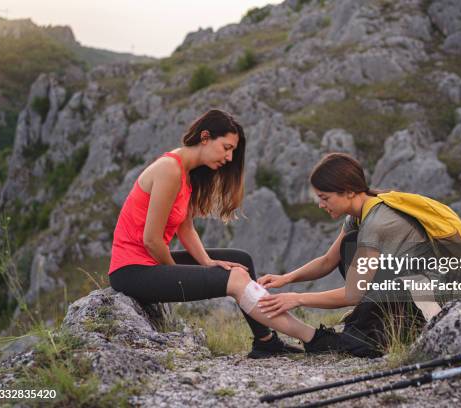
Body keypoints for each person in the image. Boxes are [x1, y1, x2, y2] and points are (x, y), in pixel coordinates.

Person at [107, 109, 337, 358]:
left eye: (232, 152)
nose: (229, 158)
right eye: (226, 147)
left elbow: (185, 228)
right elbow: (151, 240)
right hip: (131, 272)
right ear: (205, 137)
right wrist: (177, 274)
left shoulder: (185, 172)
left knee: (241, 261)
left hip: (149, 264)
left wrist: (207, 262)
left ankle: (266, 342)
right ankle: (315, 339)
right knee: (237, 279)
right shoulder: (169, 170)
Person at [257, 153, 446, 357]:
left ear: (348, 191)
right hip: (401, 287)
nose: (321, 205)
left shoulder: (377, 223)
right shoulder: (358, 216)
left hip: (427, 299)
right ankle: (378, 326)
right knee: (349, 243)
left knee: (357, 345)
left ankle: (403, 328)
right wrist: (286, 278)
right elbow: (327, 261)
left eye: (325, 198)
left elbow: (354, 293)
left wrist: (297, 299)